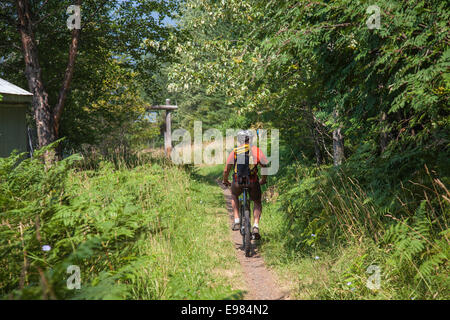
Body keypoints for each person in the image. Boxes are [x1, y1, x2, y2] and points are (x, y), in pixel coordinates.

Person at [222, 130, 268, 240]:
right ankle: (256, 226)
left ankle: (237, 220)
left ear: (239, 140)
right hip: (253, 182)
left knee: (234, 195)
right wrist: (263, 180)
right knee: (256, 201)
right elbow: (265, 167)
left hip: (238, 182)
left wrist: (225, 180)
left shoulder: (235, 151)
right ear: (251, 139)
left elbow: (226, 170)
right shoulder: (256, 151)